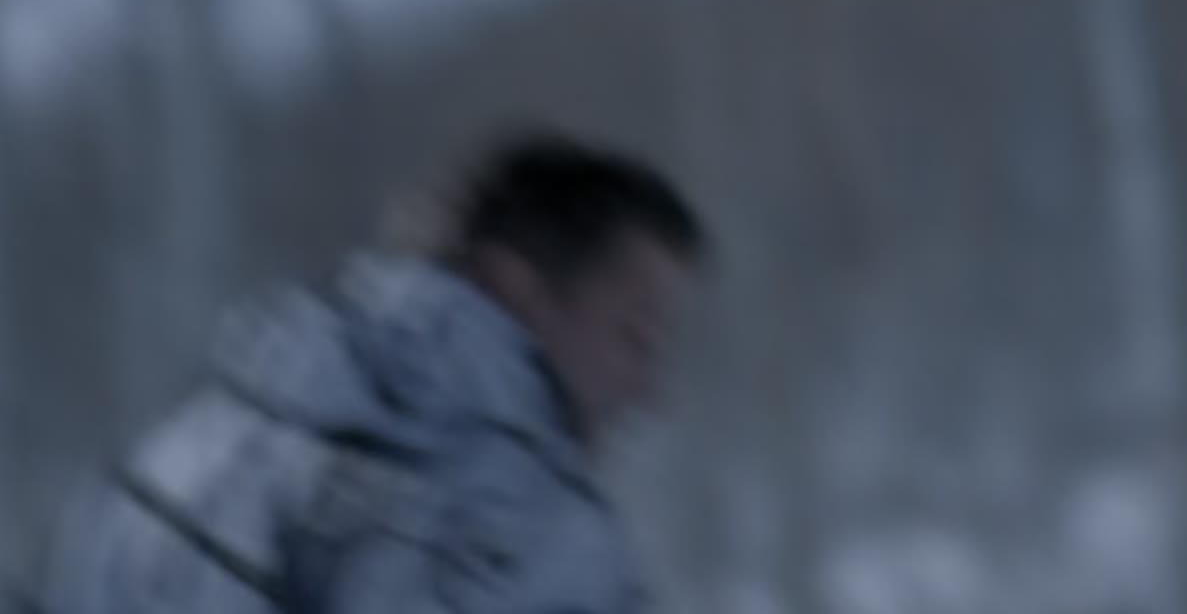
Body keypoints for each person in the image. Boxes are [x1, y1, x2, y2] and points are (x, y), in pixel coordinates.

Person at [37, 132, 705, 613]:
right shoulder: (503, 506)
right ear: (512, 291)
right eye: (634, 336)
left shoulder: (185, 451)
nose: (648, 392)